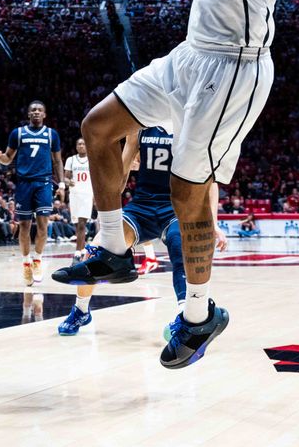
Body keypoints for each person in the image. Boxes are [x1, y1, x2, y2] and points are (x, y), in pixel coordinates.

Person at [55, 0, 299, 368]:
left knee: (184, 191)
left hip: (232, 69)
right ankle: (113, 248)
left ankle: (199, 314)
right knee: (98, 128)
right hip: (190, 56)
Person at [56, 128, 227, 339]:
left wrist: (214, 223)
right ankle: (81, 310)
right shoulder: (142, 126)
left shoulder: (190, 124)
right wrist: (127, 148)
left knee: (182, 251)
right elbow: (119, 185)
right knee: (94, 251)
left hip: (175, 208)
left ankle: (187, 319)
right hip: (141, 208)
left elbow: (211, 181)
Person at [0, 101, 64, 285]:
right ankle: (26, 264)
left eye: (40, 110)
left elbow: (57, 161)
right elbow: (8, 159)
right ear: (28, 114)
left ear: (44, 114)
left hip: (44, 182)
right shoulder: (18, 133)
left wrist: (61, 183)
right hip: (24, 183)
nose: (36, 112)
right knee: (23, 225)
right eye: (33, 110)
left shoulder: (51, 134)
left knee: (43, 224)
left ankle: (37, 260)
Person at [62, 137, 93, 260]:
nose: (81, 146)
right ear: (76, 146)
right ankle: (83, 248)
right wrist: (69, 182)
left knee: (82, 224)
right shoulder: (71, 160)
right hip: (74, 194)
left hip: (87, 194)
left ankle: (78, 252)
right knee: (77, 225)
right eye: (79, 144)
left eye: (83, 144)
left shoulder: (91, 159)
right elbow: (66, 178)